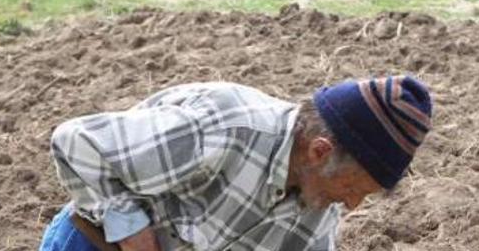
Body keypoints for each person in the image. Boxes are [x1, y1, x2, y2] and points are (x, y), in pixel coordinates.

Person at [39, 75, 433, 251]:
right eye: (351, 189)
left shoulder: (316, 218)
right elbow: (78, 143)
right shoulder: (225, 127)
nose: (350, 206)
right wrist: (134, 234)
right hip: (92, 243)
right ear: (320, 152)